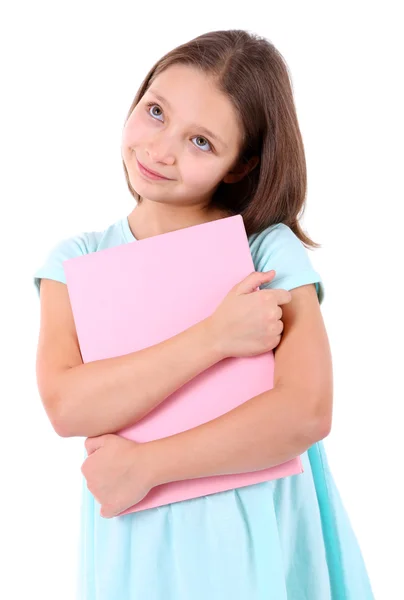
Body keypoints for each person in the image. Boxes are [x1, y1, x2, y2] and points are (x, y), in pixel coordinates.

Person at [33, 29, 375, 600]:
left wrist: (148, 466)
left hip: (260, 526)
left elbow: (305, 413)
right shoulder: (77, 262)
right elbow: (68, 405)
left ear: (242, 165)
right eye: (156, 112)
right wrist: (215, 337)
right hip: (142, 542)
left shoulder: (266, 251)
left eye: (202, 142)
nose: (161, 150)